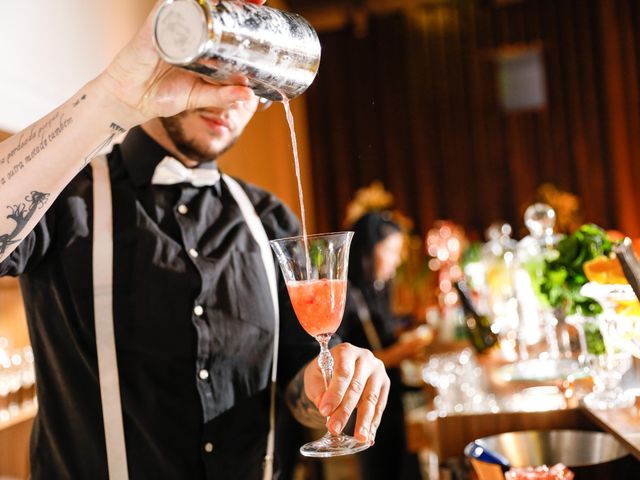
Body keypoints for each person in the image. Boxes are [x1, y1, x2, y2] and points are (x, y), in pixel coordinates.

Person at [0, 1, 390, 479]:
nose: (236, 96)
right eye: (222, 67)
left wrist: (325, 389)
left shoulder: (271, 220)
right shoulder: (64, 198)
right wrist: (115, 97)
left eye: (259, 82)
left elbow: (296, 392)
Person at [338, 212, 432, 480]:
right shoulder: (346, 295)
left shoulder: (375, 289)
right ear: (368, 251)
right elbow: (345, 364)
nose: (397, 259)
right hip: (366, 408)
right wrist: (400, 352)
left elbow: (381, 330)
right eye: (391, 250)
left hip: (390, 402)